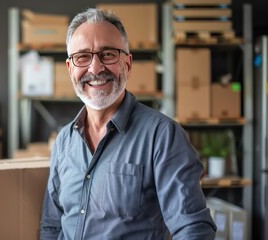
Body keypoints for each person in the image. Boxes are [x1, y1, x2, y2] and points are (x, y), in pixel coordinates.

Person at [40, 8, 216, 240]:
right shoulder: (64, 140)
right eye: (82, 56)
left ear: (128, 64)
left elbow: (193, 229)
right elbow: (52, 227)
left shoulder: (162, 135)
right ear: (70, 68)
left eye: (108, 54)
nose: (95, 68)